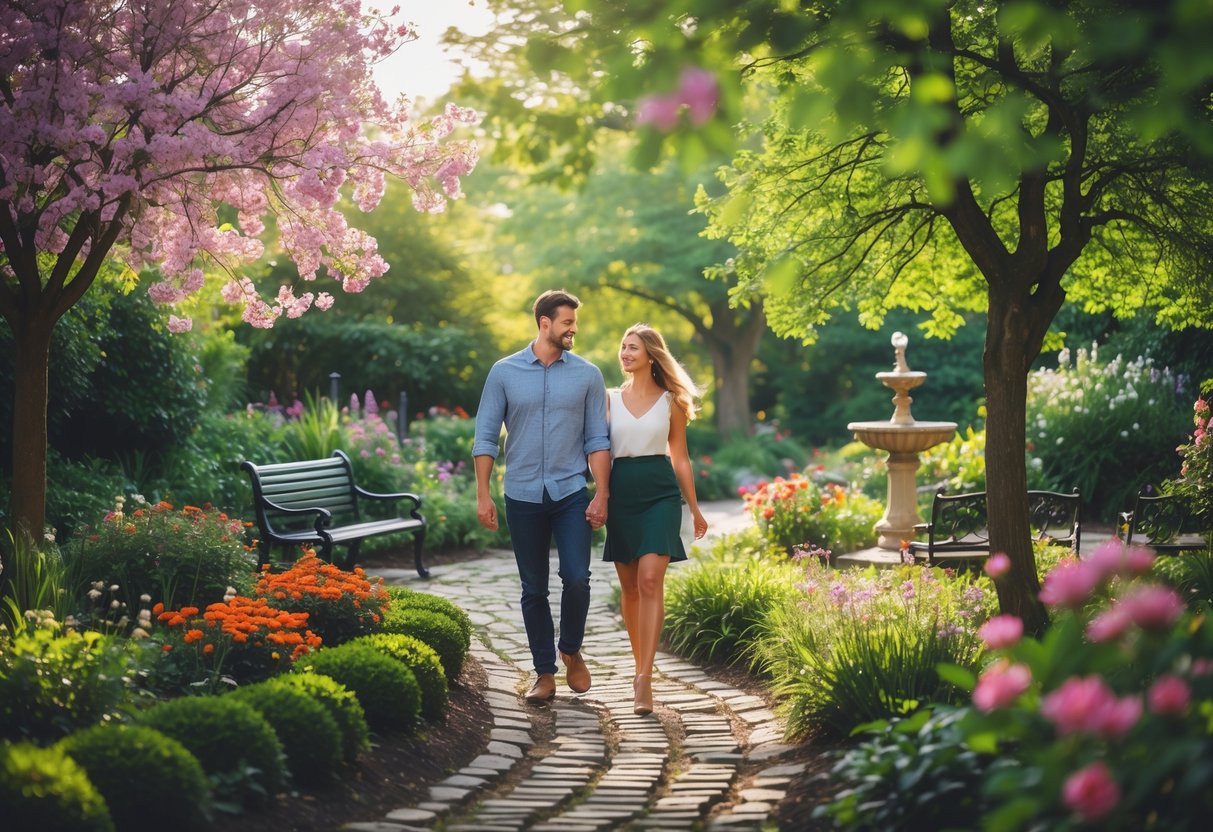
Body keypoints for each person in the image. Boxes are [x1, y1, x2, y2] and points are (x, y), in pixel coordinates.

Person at [472, 289, 612, 704]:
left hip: (571, 491)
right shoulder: (504, 372)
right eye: (567, 322)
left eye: (574, 322)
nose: (574, 329)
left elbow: (597, 439)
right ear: (544, 323)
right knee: (533, 588)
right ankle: (545, 673)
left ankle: (570, 647)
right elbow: (484, 436)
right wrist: (483, 494)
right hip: (522, 493)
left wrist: (602, 494)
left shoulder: (588, 374)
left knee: (577, 577)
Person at [603, 323, 708, 716]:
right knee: (629, 588)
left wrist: (694, 508)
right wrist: (599, 494)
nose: (625, 353)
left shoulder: (672, 401)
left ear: (651, 355)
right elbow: (598, 451)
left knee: (650, 578)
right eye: (623, 346)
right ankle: (639, 663)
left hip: (660, 492)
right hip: (622, 493)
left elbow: (680, 456)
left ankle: (643, 678)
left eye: (633, 347)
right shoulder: (608, 400)